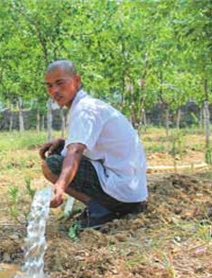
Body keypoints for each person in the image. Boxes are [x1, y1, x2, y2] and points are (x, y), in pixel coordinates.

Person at [39, 60, 148, 229]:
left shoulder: (85, 110)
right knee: (60, 151)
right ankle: (105, 205)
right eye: (49, 86)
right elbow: (83, 144)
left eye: (60, 83)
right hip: (130, 189)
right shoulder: (86, 106)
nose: (54, 91)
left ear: (77, 81)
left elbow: (75, 152)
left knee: (51, 165)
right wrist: (63, 143)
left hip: (123, 191)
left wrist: (60, 186)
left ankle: (102, 210)